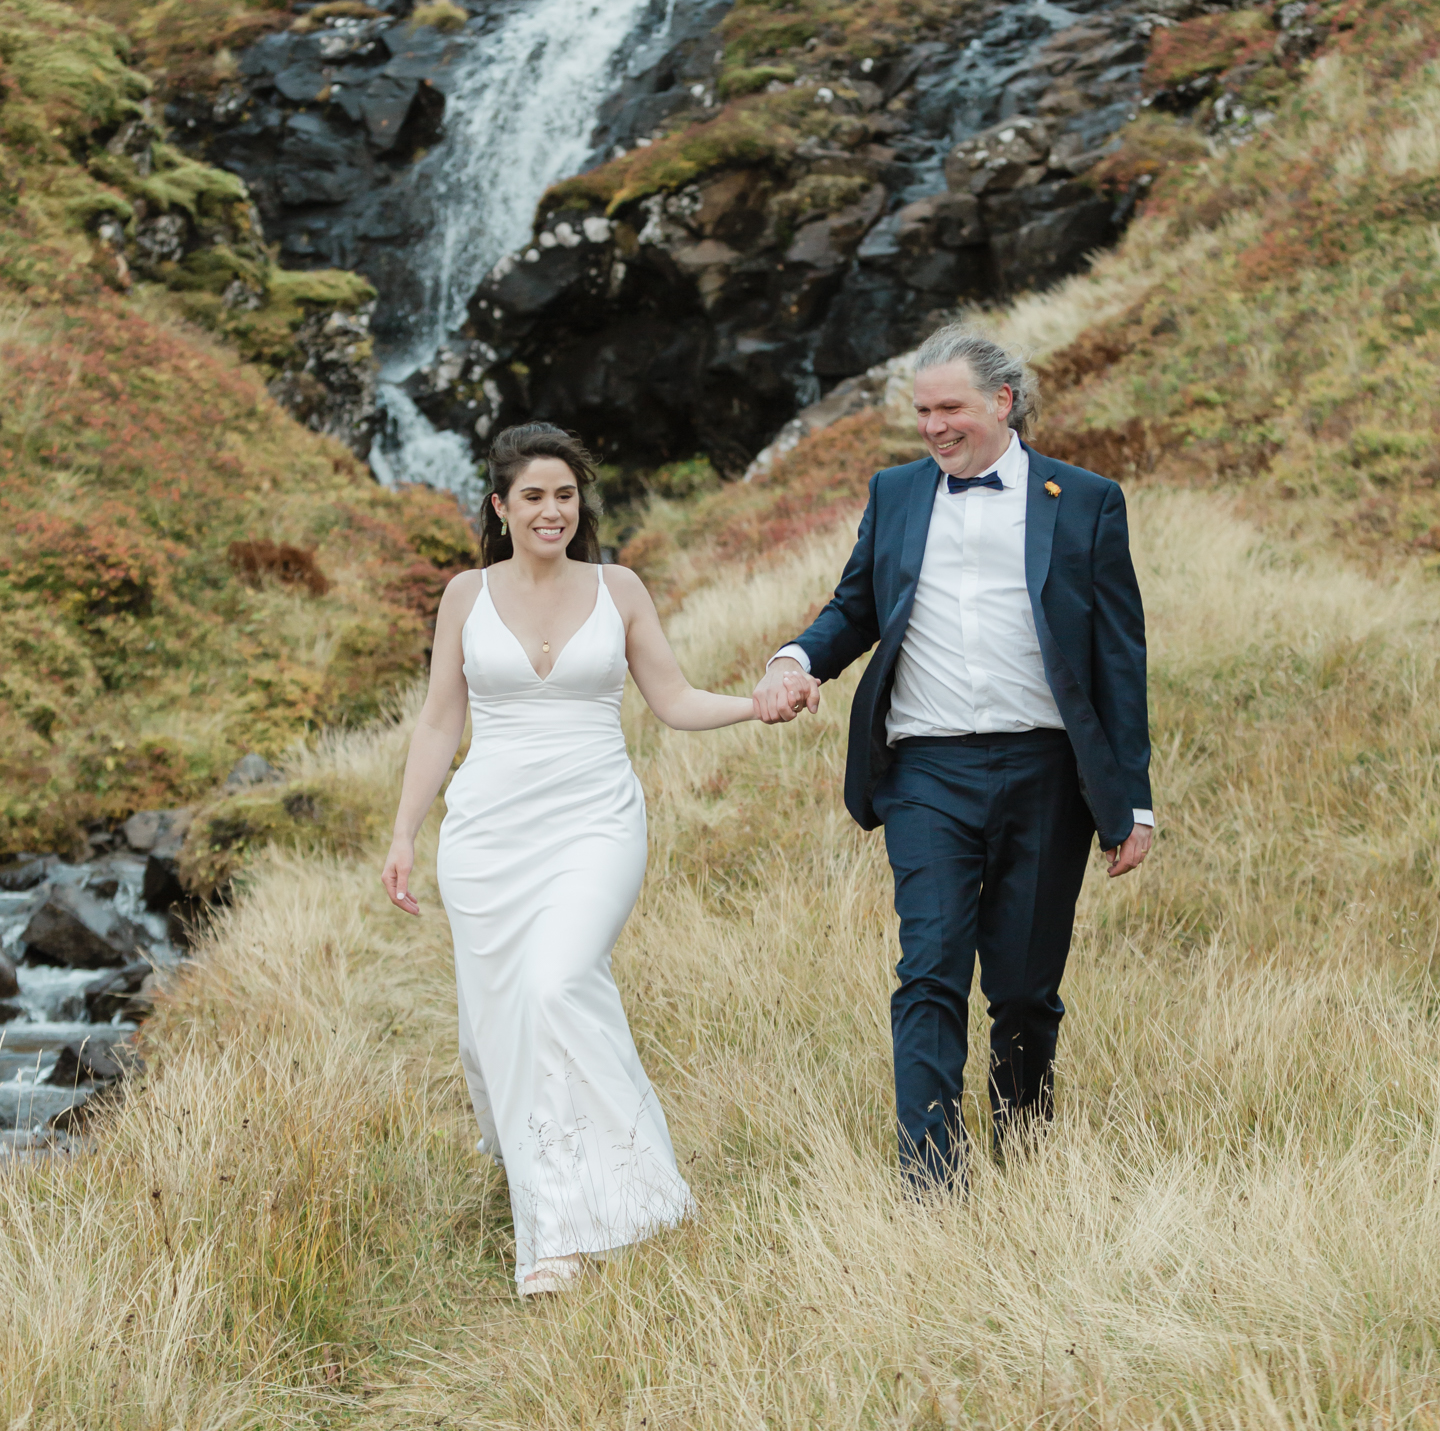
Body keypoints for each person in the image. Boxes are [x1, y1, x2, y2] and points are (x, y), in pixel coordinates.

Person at [753, 325, 1153, 1186]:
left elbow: (1119, 659)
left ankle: (1027, 1148)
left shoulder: (1084, 500)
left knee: (1022, 986)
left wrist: (1135, 802)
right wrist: (796, 659)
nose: (933, 427)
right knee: (929, 966)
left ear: (1001, 403)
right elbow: (854, 605)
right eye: (922, 411)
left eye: (950, 409)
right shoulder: (896, 493)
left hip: (1047, 772)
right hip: (926, 770)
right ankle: (932, 1178)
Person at [382, 421, 764, 1298]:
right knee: (507, 1022)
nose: (552, 511)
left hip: (595, 821)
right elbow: (442, 721)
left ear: (579, 503)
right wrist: (406, 831)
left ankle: (637, 1193)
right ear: (500, 507)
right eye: (533, 497)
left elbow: (670, 699)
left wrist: (754, 705)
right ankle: (553, 1233)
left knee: (557, 983)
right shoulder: (464, 597)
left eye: (565, 494)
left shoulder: (618, 588)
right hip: (486, 835)